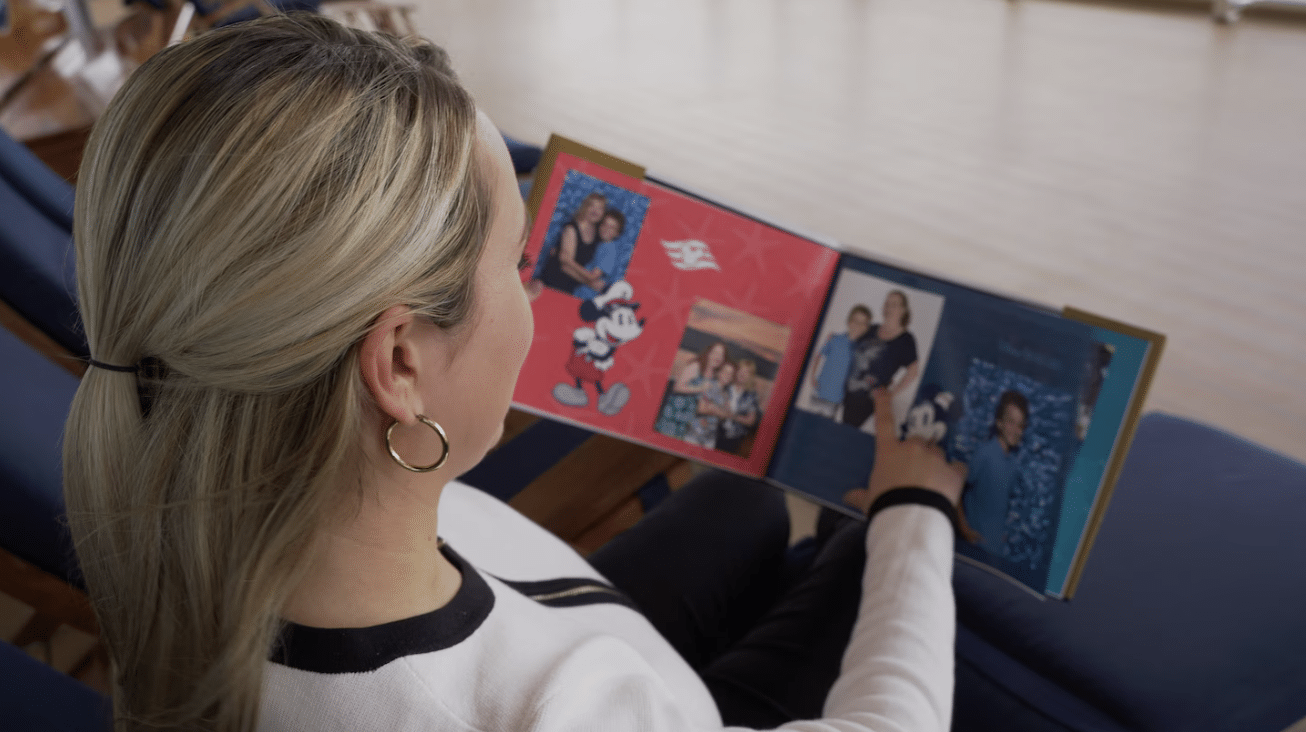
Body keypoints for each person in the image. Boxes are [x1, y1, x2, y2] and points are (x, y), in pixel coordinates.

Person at [63, 15, 964, 732]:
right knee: (872, 545)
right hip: (661, 694)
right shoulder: (557, 710)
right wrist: (915, 518)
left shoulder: (192, 506)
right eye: (519, 261)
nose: (538, 298)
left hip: (574, 623)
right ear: (402, 362)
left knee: (750, 502)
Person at [960, 390, 1029, 557]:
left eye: (1020, 425)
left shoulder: (1013, 464)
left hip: (993, 552)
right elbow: (955, 490)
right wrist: (964, 529)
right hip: (972, 548)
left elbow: (999, 506)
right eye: (1011, 422)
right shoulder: (984, 453)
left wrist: (1000, 536)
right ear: (999, 423)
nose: (1016, 430)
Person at [841, 290, 921, 429]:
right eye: (887, 303)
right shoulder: (871, 328)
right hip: (844, 393)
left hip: (869, 404)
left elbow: (913, 371)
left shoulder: (906, 340)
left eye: (894, 304)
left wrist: (891, 393)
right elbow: (849, 344)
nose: (889, 308)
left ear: (903, 310)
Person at [807, 304, 871, 419]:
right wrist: (812, 376)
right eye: (855, 321)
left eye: (862, 323)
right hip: (819, 391)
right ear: (849, 321)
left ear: (866, 328)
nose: (858, 326)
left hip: (836, 398)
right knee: (807, 422)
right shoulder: (835, 339)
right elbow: (819, 356)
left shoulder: (859, 350)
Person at [655, 340, 727, 439]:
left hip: (687, 420)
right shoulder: (696, 366)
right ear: (708, 353)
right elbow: (677, 387)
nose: (718, 356)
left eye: (721, 355)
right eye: (715, 352)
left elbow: (703, 400)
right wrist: (700, 388)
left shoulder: (713, 376)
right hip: (673, 416)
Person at [537, 191, 606, 293]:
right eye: (592, 205)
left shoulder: (598, 235)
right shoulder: (571, 228)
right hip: (551, 282)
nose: (595, 210)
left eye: (600, 208)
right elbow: (565, 261)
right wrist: (590, 279)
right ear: (585, 207)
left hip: (569, 287)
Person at [572, 207, 626, 300]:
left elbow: (593, 276)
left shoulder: (609, 249)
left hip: (588, 295)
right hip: (580, 291)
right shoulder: (599, 244)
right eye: (604, 224)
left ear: (617, 233)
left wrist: (569, 264)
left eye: (612, 227)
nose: (606, 229)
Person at [685, 360, 734, 449]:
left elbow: (727, 415)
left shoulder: (726, 395)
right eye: (725, 371)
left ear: (731, 378)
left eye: (730, 374)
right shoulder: (708, 384)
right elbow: (701, 408)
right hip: (695, 433)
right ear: (718, 372)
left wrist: (713, 408)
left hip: (710, 438)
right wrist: (719, 411)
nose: (727, 375)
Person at [716, 358, 761, 455]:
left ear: (750, 376)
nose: (742, 374)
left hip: (734, 438)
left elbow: (751, 421)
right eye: (741, 370)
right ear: (736, 371)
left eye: (747, 372)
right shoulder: (725, 386)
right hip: (714, 431)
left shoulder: (752, 395)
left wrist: (732, 416)